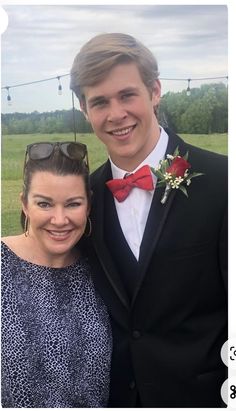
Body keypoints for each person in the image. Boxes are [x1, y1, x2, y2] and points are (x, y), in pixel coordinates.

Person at [70, 33, 228, 408]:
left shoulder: (224, 181)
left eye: (127, 95)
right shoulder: (82, 200)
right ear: (84, 108)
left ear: (155, 91)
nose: (116, 114)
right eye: (100, 102)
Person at [1, 141, 112, 408]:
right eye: (45, 204)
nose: (60, 219)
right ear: (25, 204)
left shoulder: (101, 268)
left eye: (73, 204)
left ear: (88, 206)